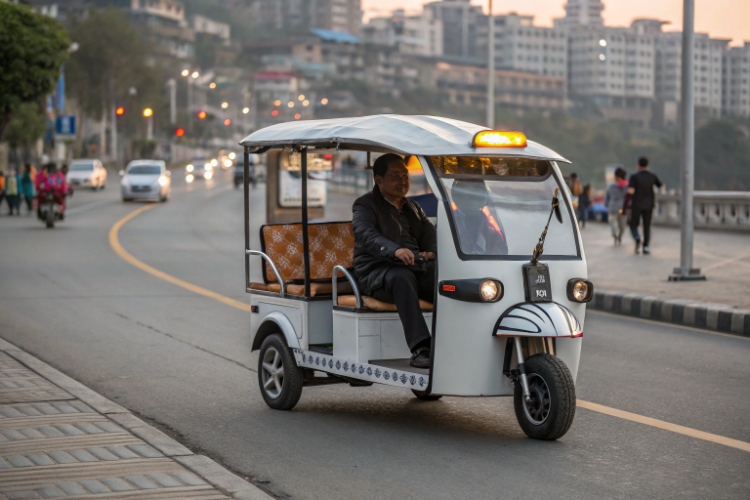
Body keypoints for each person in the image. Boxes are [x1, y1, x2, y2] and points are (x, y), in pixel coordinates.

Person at [352, 153, 437, 368]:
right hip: (377, 273)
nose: (403, 181)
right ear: (379, 180)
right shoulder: (364, 205)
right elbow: (365, 234)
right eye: (395, 176)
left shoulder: (414, 207)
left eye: (405, 176)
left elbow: (431, 234)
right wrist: (395, 250)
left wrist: (432, 252)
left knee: (445, 279)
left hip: (413, 268)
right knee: (402, 277)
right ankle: (420, 348)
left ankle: (452, 340)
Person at [450, 180, 508, 255]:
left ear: (484, 199)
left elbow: (501, 252)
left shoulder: (491, 225)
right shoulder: (448, 220)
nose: (470, 201)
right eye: (465, 195)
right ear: (456, 198)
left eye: (474, 196)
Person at [627, 157, 662, 255]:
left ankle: (637, 238)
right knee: (647, 226)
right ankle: (646, 247)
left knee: (633, 224)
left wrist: (626, 204)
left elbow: (631, 191)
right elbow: (661, 186)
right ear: (647, 165)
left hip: (636, 205)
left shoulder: (634, 177)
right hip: (649, 204)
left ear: (638, 165)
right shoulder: (652, 176)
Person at [605, 167, 628, 245]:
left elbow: (607, 197)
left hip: (614, 208)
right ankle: (618, 236)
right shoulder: (627, 185)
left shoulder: (622, 186)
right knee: (622, 226)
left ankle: (617, 236)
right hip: (622, 208)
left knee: (615, 224)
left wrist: (607, 205)